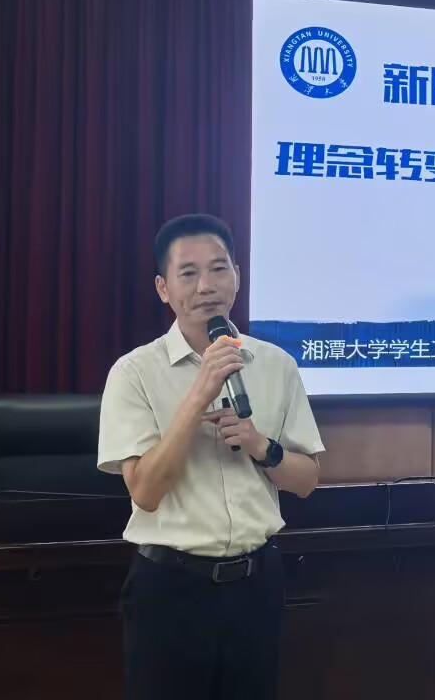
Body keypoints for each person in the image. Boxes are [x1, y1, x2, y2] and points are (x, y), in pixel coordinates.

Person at [98, 214, 325, 700]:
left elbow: (307, 480)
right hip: (170, 589)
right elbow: (145, 492)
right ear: (163, 288)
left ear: (237, 276)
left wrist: (263, 447)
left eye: (219, 269)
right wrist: (199, 393)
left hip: (256, 586)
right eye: (189, 273)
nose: (207, 285)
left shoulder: (276, 365)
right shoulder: (134, 372)